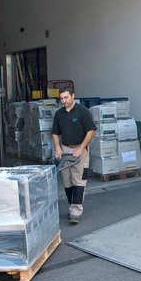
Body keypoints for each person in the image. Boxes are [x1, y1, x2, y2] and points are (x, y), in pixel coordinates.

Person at [51, 87, 96, 223]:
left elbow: (91, 131)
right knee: (67, 182)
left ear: (73, 96)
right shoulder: (59, 114)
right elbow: (55, 133)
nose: (64, 101)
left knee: (79, 181)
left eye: (66, 97)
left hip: (80, 151)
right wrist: (58, 148)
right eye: (62, 98)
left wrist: (81, 148)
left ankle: (76, 211)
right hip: (65, 150)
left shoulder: (83, 112)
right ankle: (72, 205)